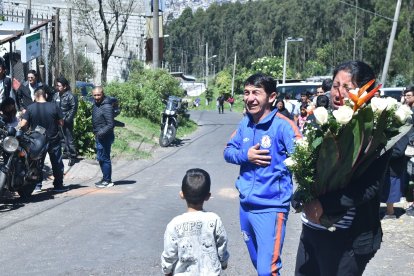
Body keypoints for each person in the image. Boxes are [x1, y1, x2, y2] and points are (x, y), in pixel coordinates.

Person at [295, 61, 392, 276]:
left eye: (348, 87)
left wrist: (324, 205)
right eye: (335, 85)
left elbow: (369, 187)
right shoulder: (320, 121)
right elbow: (310, 172)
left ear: (366, 91)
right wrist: (302, 194)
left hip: (347, 237)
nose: (339, 93)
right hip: (311, 230)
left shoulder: (376, 133)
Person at [224, 73, 301, 275]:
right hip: (246, 208)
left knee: (268, 270)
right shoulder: (245, 124)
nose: (250, 98)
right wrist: (245, 155)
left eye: (256, 93)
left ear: (272, 96)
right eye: (247, 93)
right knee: (259, 265)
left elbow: (304, 161)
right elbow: (228, 152)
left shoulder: (284, 126)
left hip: (271, 209)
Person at [161, 168, 230, 275]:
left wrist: (167, 270)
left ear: (182, 194)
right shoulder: (214, 219)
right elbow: (222, 244)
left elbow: (170, 253)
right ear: (208, 196)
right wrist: (223, 262)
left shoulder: (174, 224)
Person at [18, 88, 68, 193]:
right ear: (45, 95)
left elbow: (22, 124)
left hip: (37, 141)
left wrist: (27, 131)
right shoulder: (54, 106)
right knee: (57, 163)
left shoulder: (30, 108)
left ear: (35, 96)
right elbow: (62, 123)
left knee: (37, 163)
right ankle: (58, 185)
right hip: (53, 139)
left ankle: (37, 185)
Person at [381, 134, 409, 219]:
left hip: (394, 167)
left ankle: (390, 213)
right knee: (386, 190)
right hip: (386, 166)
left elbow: (398, 151)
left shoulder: (403, 134)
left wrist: (382, 153)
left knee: (391, 191)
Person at [92, 86, 115, 188]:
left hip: (105, 136)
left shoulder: (106, 106)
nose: (96, 97)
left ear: (103, 94)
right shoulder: (97, 104)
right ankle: (105, 178)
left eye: (98, 95)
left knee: (105, 158)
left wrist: (100, 133)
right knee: (101, 158)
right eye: (95, 95)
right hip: (99, 136)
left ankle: (107, 180)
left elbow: (110, 124)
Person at [53, 77, 78, 166]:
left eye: (59, 86)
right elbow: (53, 107)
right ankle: (66, 153)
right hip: (58, 121)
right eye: (56, 85)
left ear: (65, 86)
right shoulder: (56, 95)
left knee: (69, 139)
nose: (57, 87)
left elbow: (73, 109)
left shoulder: (71, 96)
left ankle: (73, 156)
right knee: (62, 138)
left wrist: (66, 120)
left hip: (66, 121)